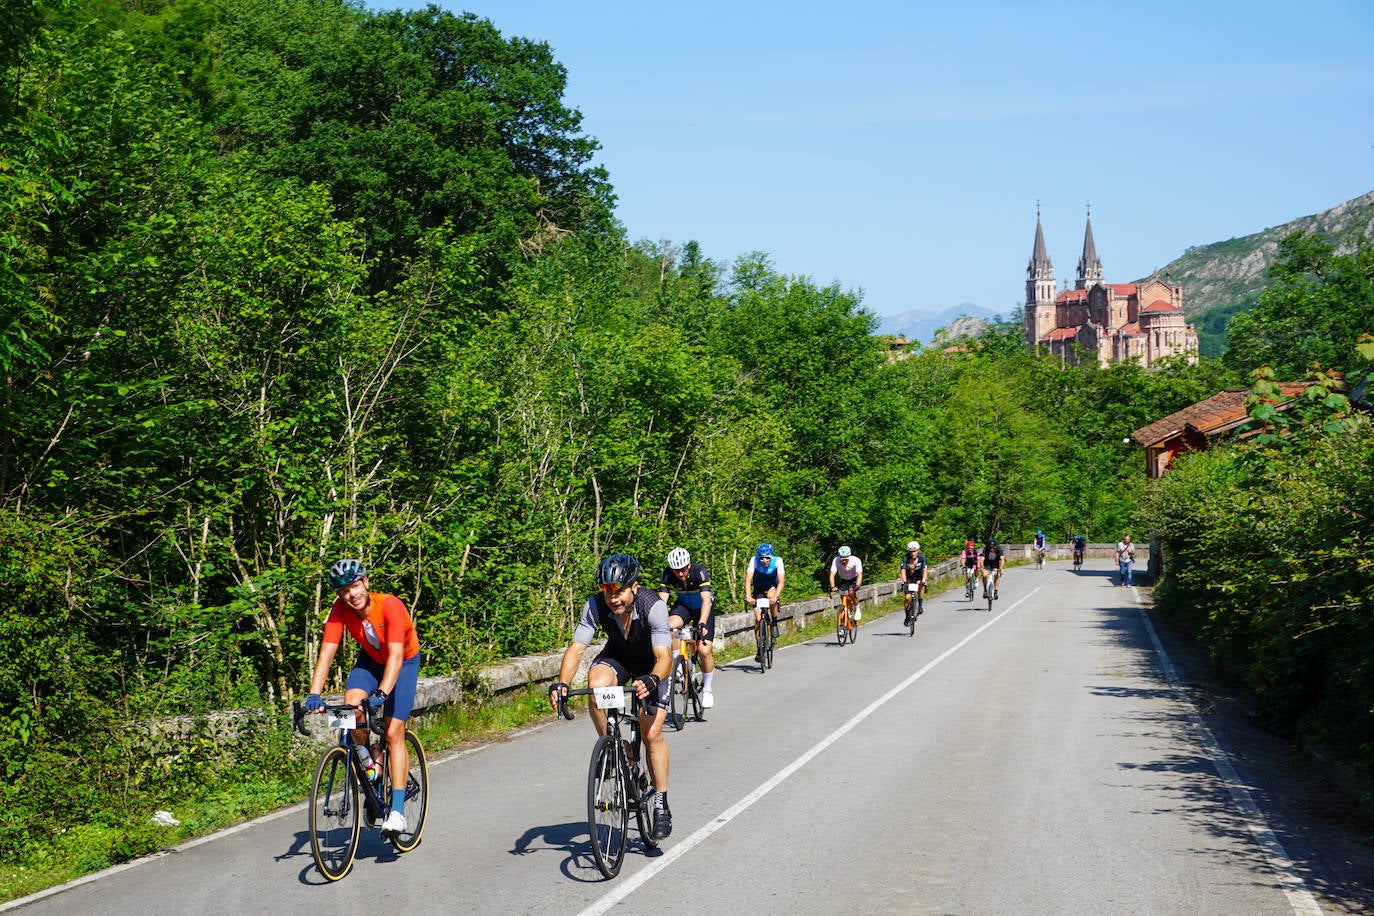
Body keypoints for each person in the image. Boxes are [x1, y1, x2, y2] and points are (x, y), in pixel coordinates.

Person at [550, 552, 674, 838]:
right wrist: (562, 683)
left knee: (651, 733)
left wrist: (653, 679)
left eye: (618, 592)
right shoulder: (595, 605)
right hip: (619, 657)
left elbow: (664, 656)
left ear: (634, 586)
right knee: (596, 687)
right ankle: (618, 751)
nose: (612, 599)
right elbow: (577, 647)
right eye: (607, 593)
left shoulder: (652, 605)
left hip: (651, 666)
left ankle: (660, 802)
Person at [305, 559, 422, 835]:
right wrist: (314, 693)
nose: (351, 594)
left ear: (366, 583)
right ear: (339, 595)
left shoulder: (390, 604)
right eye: (344, 591)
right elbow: (326, 653)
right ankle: (369, 760)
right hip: (370, 661)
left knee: (394, 732)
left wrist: (382, 693)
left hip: (402, 662)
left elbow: (394, 656)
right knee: (351, 707)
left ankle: (397, 811)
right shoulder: (339, 610)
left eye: (355, 586)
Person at [657, 547, 716, 709]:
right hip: (684, 607)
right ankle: (679, 663)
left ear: (688, 565)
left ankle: (708, 689)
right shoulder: (668, 574)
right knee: (668, 625)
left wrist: (702, 623)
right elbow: (662, 600)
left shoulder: (699, 572)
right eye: (676, 571)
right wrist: (656, 621)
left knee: (704, 651)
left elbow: (706, 600)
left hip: (703, 609)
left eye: (683, 569)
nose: (680, 574)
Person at [744, 543, 785, 663]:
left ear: (771, 556)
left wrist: (776, 596)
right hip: (758, 588)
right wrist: (748, 596)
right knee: (757, 620)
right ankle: (759, 648)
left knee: (771, 597)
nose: (764, 560)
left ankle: (774, 623)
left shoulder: (778, 561)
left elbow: (781, 582)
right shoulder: (754, 560)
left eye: (767, 558)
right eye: (762, 557)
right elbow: (748, 580)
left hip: (772, 586)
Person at [899, 541, 928, 625]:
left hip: (918, 577)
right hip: (908, 578)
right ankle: (907, 615)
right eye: (911, 551)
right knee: (907, 598)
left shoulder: (922, 557)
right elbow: (903, 570)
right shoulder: (905, 558)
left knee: (920, 585)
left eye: (915, 551)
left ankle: (920, 604)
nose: (913, 553)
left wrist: (923, 581)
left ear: (918, 550)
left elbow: (924, 570)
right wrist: (904, 582)